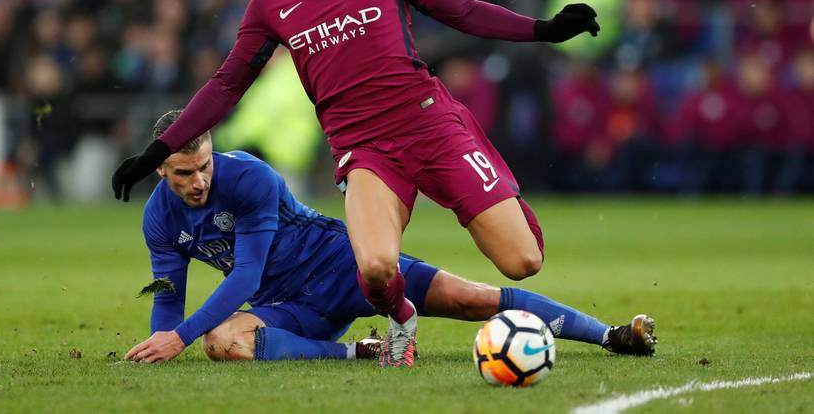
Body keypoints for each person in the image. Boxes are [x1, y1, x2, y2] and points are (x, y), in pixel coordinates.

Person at [113, 0, 601, 367]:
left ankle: (505, 206)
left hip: (429, 123)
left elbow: (458, 11)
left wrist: (543, 30)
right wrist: (155, 151)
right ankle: (401, 320)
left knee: (523, 259)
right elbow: (226, 84)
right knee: (373, 267)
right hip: (364, 150)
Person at [124, 111, 656, 365]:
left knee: (470, 299)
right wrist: (160, 340)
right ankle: (362, 351)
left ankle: (611, 334)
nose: (199, 182)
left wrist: (179, 337)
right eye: (183, 174)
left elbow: (243, 271)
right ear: (159, 173)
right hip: (285, 306)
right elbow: (169, 294)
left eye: (203, 167)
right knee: (224, 344)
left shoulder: (249, 178)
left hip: (340, 263)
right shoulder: (159, 219)